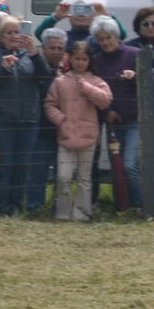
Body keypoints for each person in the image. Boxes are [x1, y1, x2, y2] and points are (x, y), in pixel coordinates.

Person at [0, 16, 52, 217]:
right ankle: (1, 208)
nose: (13, 36)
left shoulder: (31, 57)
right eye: (8, 33)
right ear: (1, 37)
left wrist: (34, 53)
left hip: (28, 120)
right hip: (2, 121)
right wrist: (2, 69)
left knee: (22, 167)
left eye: (16, 32)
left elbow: (45, 79)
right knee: (4, 166)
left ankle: (17, 207)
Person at [44, 42, 112, 220]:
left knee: (85, 178)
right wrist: (60, 120)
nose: (80, 63)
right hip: (66, 136)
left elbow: (105, 100)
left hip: (88, 136)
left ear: (89, 61)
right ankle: (63, 212)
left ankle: (82, 212)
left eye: (84, 59)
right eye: (77, 59)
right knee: (63, 177)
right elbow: (50, 104)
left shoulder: (96, 81)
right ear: (70, 59)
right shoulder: (60, 81)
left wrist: (87, 88)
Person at [91, 16, 141, 211]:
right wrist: (107, 112)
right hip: (111, 123)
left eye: (108, 37)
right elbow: (96, 92)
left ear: (116, 35)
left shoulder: (134, 54)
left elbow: (151, 82)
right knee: (117, 167)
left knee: (129, 165)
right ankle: (121, 205)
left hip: (133, 121)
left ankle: (139, 205)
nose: (105, 42)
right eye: (100, 39)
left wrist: (136, 76)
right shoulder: (96, 61)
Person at [25, 28, 68, 213]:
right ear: (43, 48)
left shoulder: (71, 70)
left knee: (63, 174)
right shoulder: (32, 65)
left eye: (60, 48)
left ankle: (60, 208)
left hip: (63, 131)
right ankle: (35, 208)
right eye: (52, 48)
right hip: (40, 129)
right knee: (37, 172)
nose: (56, 52)